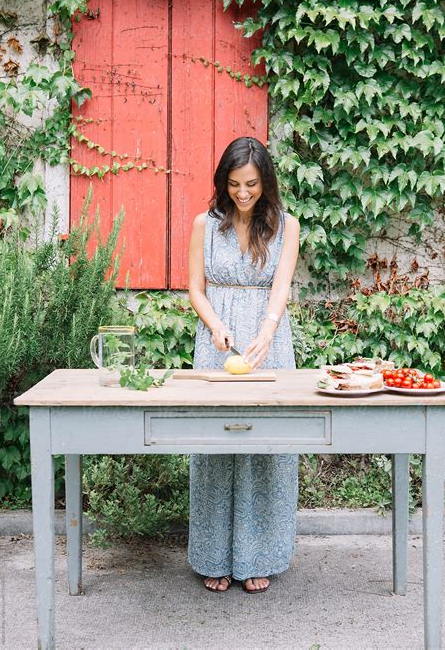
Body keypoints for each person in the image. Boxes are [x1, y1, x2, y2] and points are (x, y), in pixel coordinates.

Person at [187, 135, 300, 594]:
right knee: (214, 447)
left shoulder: (285, 226)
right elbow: (196, 288)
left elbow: (281, 289)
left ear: (265, 181)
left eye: (251, 183)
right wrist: (214, 324)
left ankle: (260, 557)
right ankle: (214, 558)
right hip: (218, 343)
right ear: (223, 182)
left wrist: (267, 332)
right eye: (234, 184)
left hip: (265, 341)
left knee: (266, 449)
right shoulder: (204, 224)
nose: (243, 193)